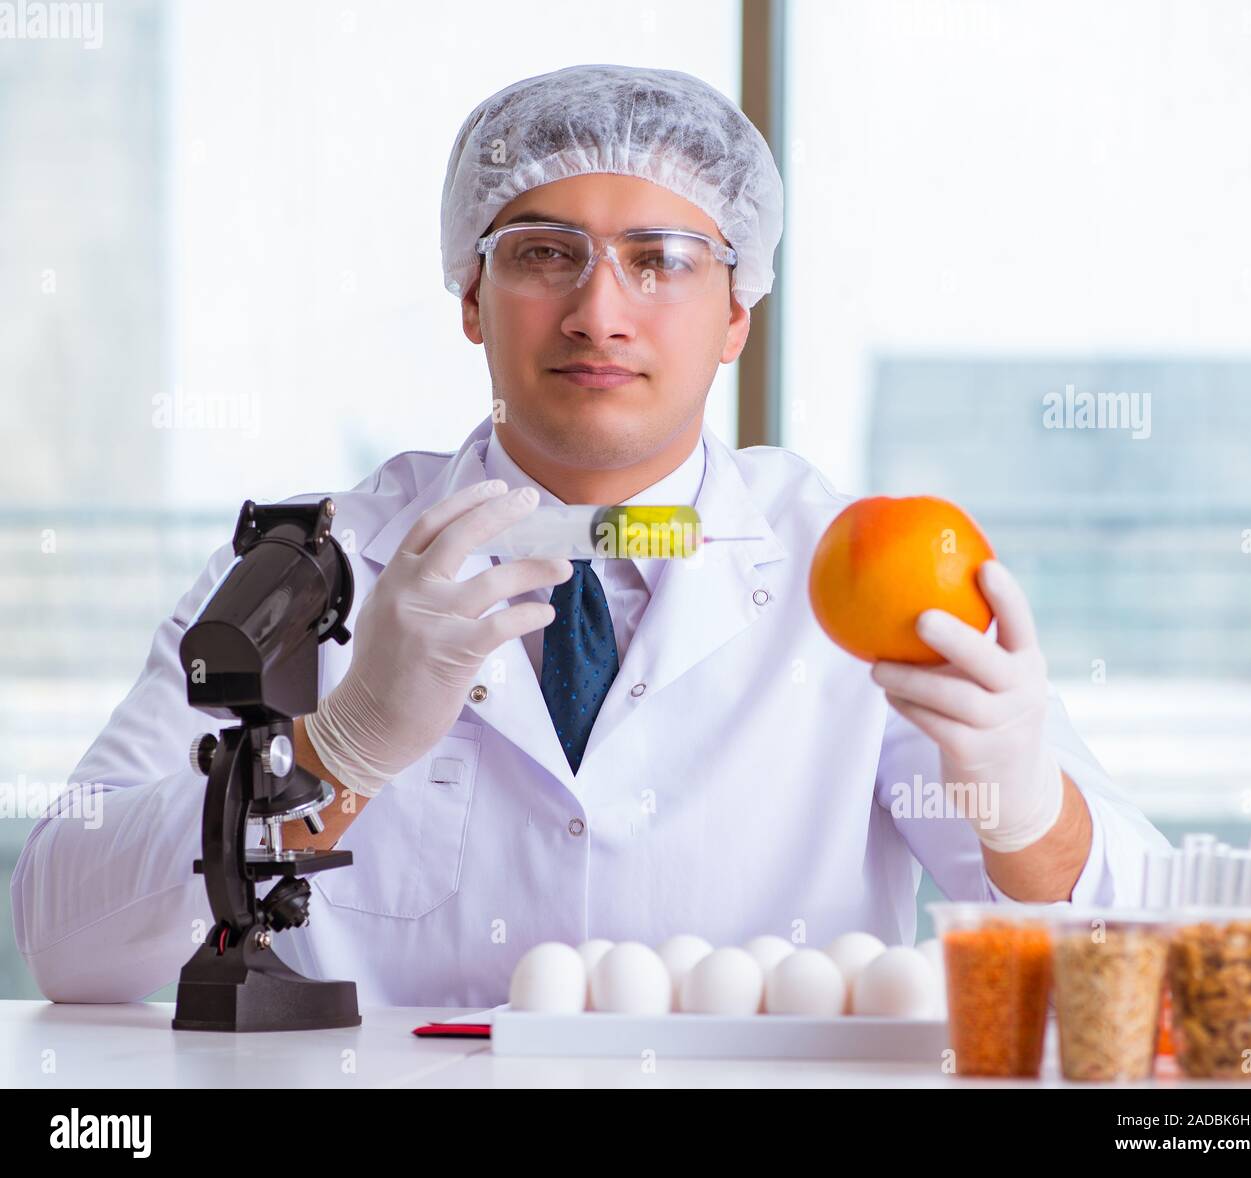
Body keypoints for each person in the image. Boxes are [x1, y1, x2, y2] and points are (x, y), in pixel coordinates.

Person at [12, 64, 1168, 1008]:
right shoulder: (311, 564)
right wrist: (334, 749)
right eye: (543, 252)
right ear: (470, 296)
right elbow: (64, 935)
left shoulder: (861, 570)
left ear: (737, 316)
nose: (599, 312)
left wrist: (1022, 805)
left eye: (661, 259)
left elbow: (1138, 963)